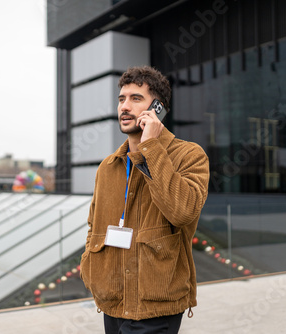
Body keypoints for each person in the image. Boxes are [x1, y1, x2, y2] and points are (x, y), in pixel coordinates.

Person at [80, 65, 209, 334]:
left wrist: (150, 147)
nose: (125, 106)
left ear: (157, 109)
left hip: (156, 303)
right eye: (121, 99)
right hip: (113, 300)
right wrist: (92, 274)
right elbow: (94, 225)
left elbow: (182, 211)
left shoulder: (189, 155)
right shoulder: (109, 166)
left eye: (136, 99)